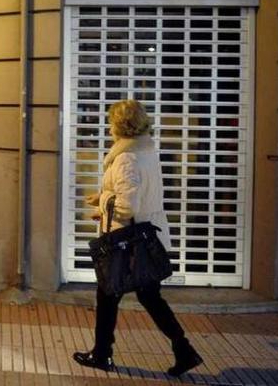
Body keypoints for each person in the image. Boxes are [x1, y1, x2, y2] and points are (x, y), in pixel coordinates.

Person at [73, 99, 202, 377]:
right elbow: (139, 199)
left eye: (110, 122)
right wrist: (105, 203)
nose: (108, 127)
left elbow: (127, 207)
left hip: (126, 243)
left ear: (120, 125)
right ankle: (184, 350)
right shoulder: (148, 151)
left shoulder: (126, 158)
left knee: (108, 294)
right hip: (147, 238)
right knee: (149, 297)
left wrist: (104, 200)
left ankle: (102, 354)